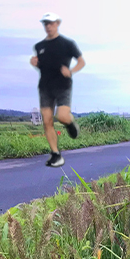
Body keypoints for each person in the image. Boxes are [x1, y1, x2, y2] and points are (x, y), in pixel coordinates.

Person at [30, 12, 85, 167]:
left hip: (63, 85)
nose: (48, 26)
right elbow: (43, 66)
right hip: (45, 86)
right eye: (45, 24)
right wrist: (35, 63)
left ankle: (70, 123)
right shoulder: (39, 46)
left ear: (57, 23)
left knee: (61, 116)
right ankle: (56, 155)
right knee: (47, 121)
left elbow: (81, 61)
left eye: (51, 23)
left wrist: (71, 71)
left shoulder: (67, 44)